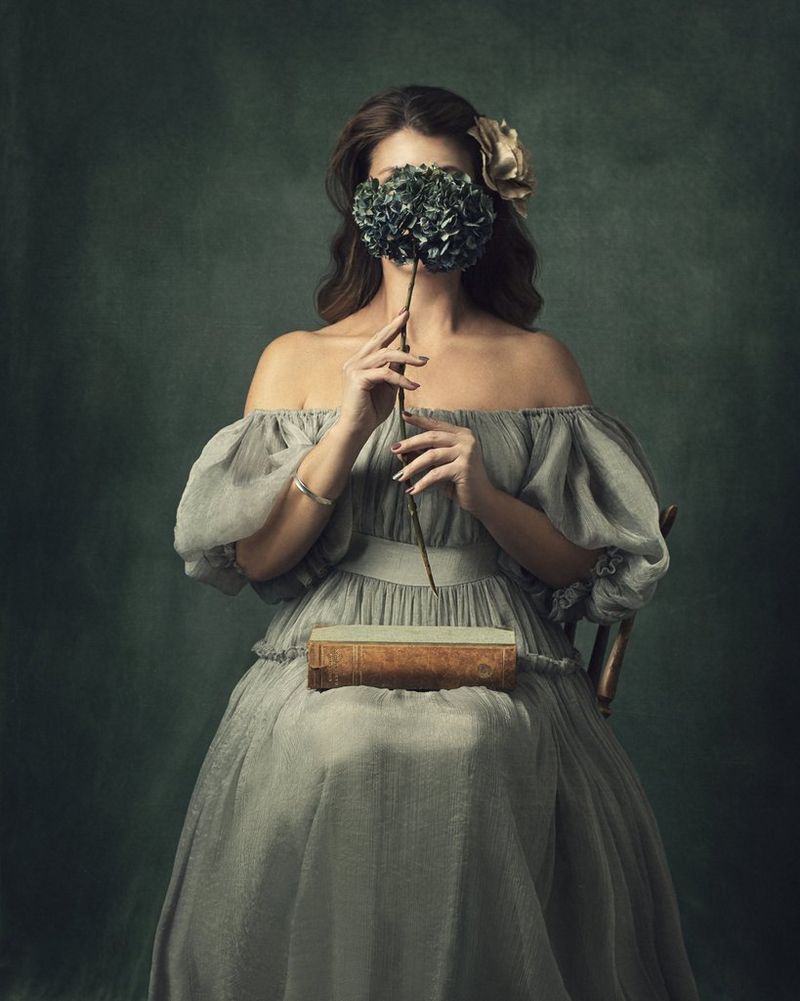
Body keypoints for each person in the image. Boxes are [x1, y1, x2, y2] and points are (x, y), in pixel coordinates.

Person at [147, 84, 700, 1001]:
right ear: (362, 199)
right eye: (396, 181)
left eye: (443, 182)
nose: (419, 203)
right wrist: (347, 422)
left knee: (476, 743)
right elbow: (256, 562)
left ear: (483, 201)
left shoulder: (537, 362)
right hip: (336, 636)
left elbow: (576, 565)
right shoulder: (296, 358)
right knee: (338, 741)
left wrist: (484, 493)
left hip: (497, 633)